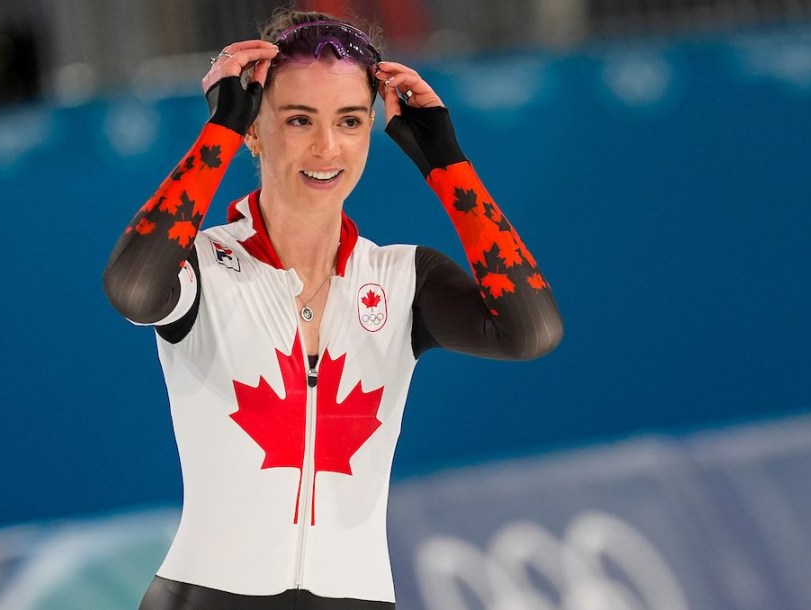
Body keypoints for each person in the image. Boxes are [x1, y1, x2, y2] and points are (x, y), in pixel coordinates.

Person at [103, 8, 563, 609]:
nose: (327, 148)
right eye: (298, 119)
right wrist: (218, 128)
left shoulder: (401, 280)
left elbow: (530, 330)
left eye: (350, 121)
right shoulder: (204, 265)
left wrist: (446, 162)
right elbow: (134, 288)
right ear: (254, 129)